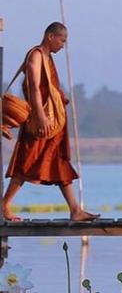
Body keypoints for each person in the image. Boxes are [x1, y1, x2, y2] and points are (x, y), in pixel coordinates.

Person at [3, 22, 98, 221]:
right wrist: (41, 116)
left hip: (53, 121)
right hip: (41, 121)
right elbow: (35, 88)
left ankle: (75, 210)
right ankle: (4, 205)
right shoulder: (36, 56)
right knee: (27, 160)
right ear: (50, 37)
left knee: (59, 161)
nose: (63, 46)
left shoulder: (47, 57)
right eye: (62, 40)